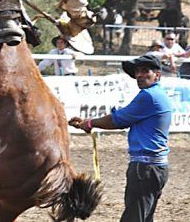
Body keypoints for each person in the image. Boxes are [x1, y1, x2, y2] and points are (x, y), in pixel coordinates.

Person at [70, 54, 172, 222]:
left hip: (145, 168)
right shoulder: (158, 95)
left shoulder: (148, 96)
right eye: (137, 71)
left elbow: (118, 120)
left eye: (145, 71)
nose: (139, 75)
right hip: (156, 167)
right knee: (144, 217)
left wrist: (89, 124)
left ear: (157, 75)